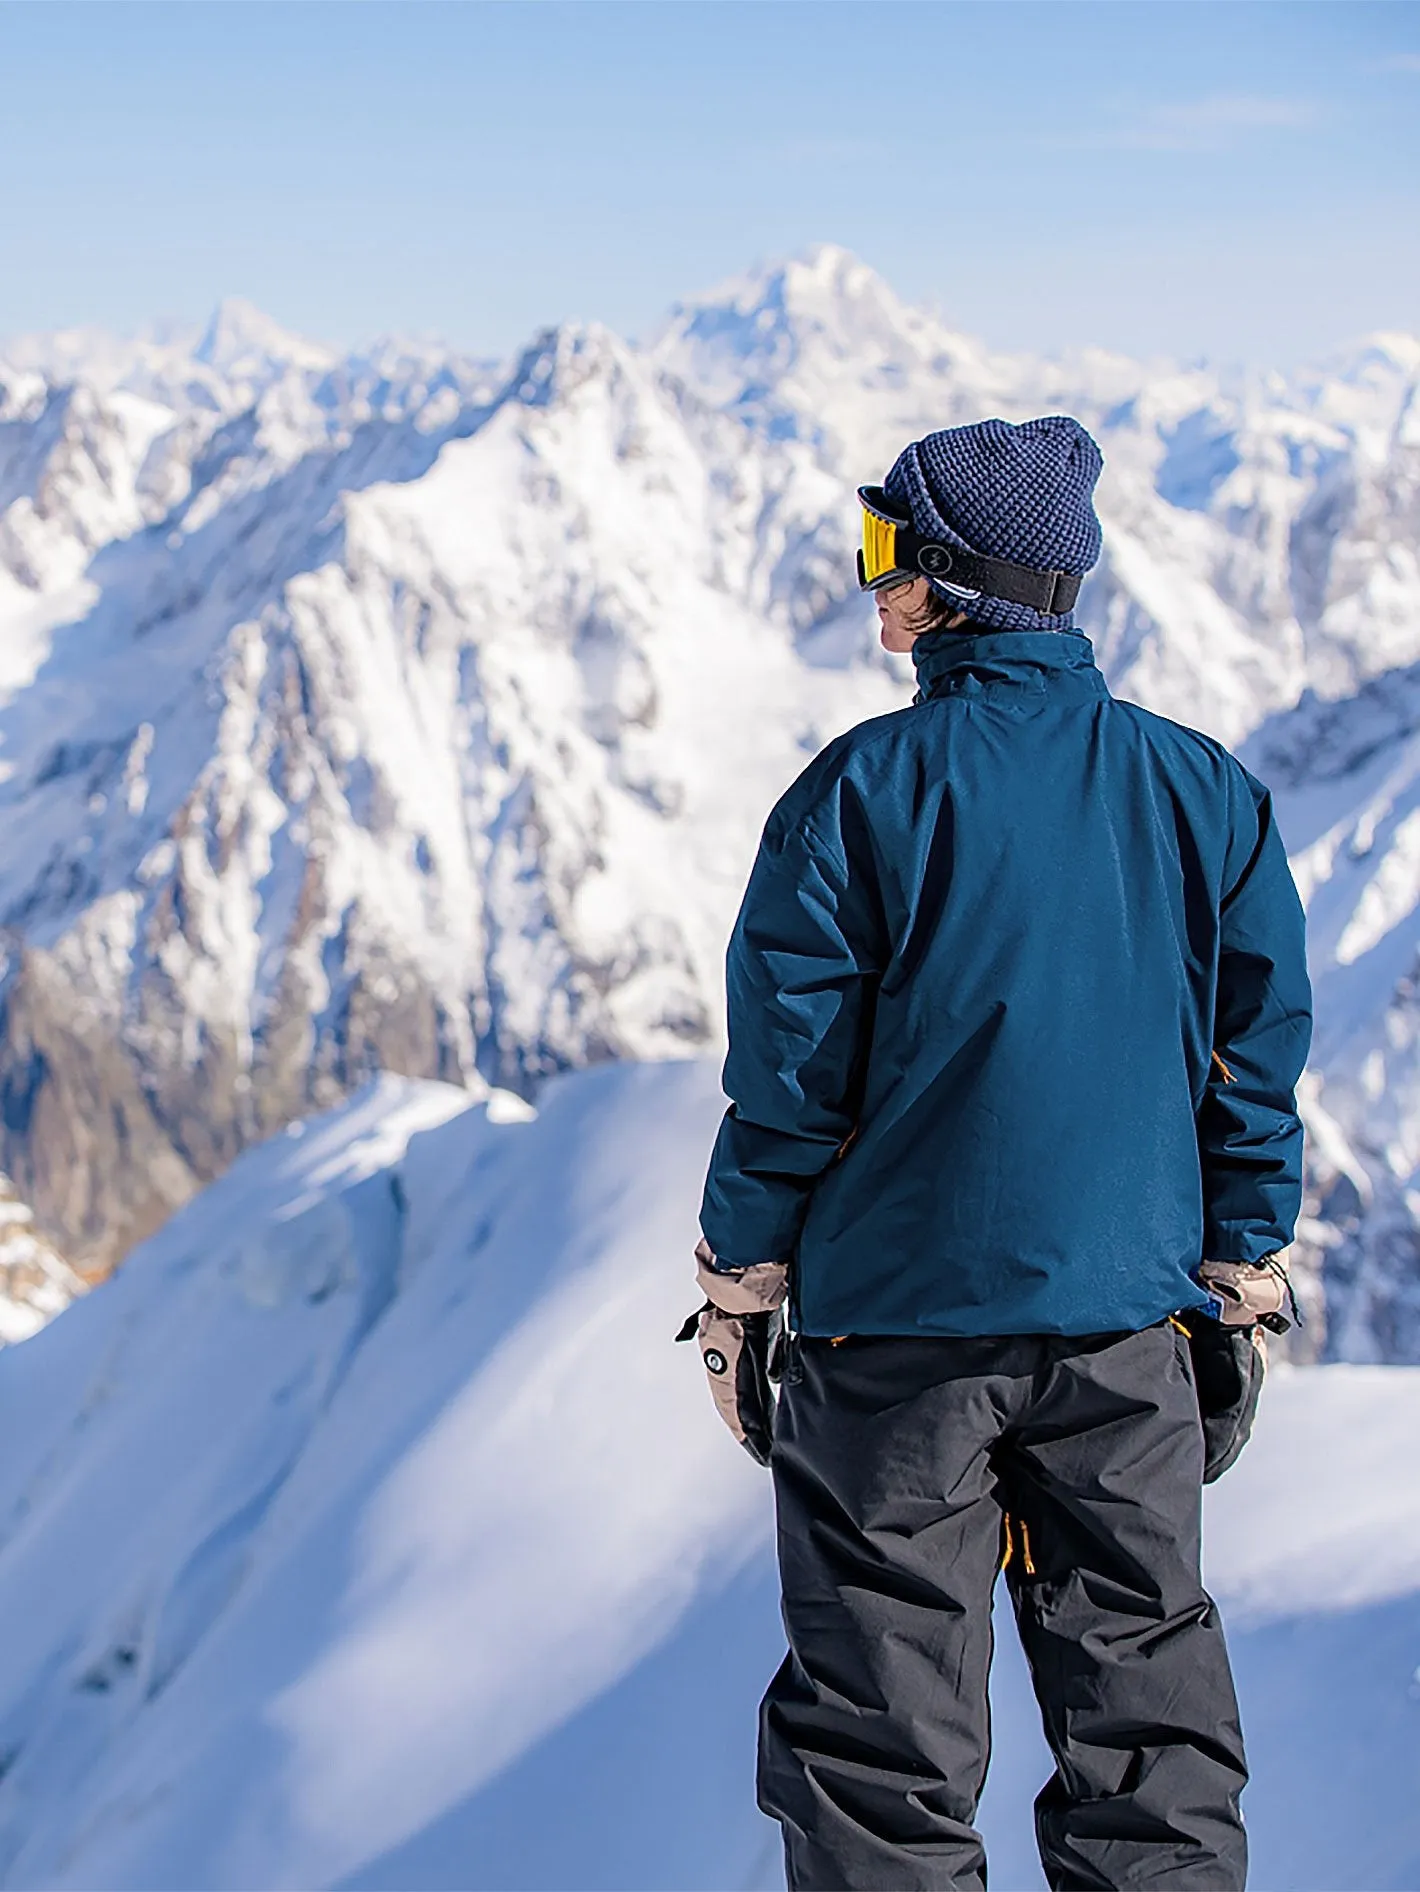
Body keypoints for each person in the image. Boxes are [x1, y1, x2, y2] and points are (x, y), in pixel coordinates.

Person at [685, 416, 1312, 1892]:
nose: (872, 590)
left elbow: (789, 1084)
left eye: (884, 554)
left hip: (895, 1344)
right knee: (1152, 1744)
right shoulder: (1203, 791)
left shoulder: (857, 794)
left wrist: (738, 1289)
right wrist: (1240, 1271)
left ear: (950, 583)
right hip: (1128, 1331)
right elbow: (1253, 1061)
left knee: (881, 1755)